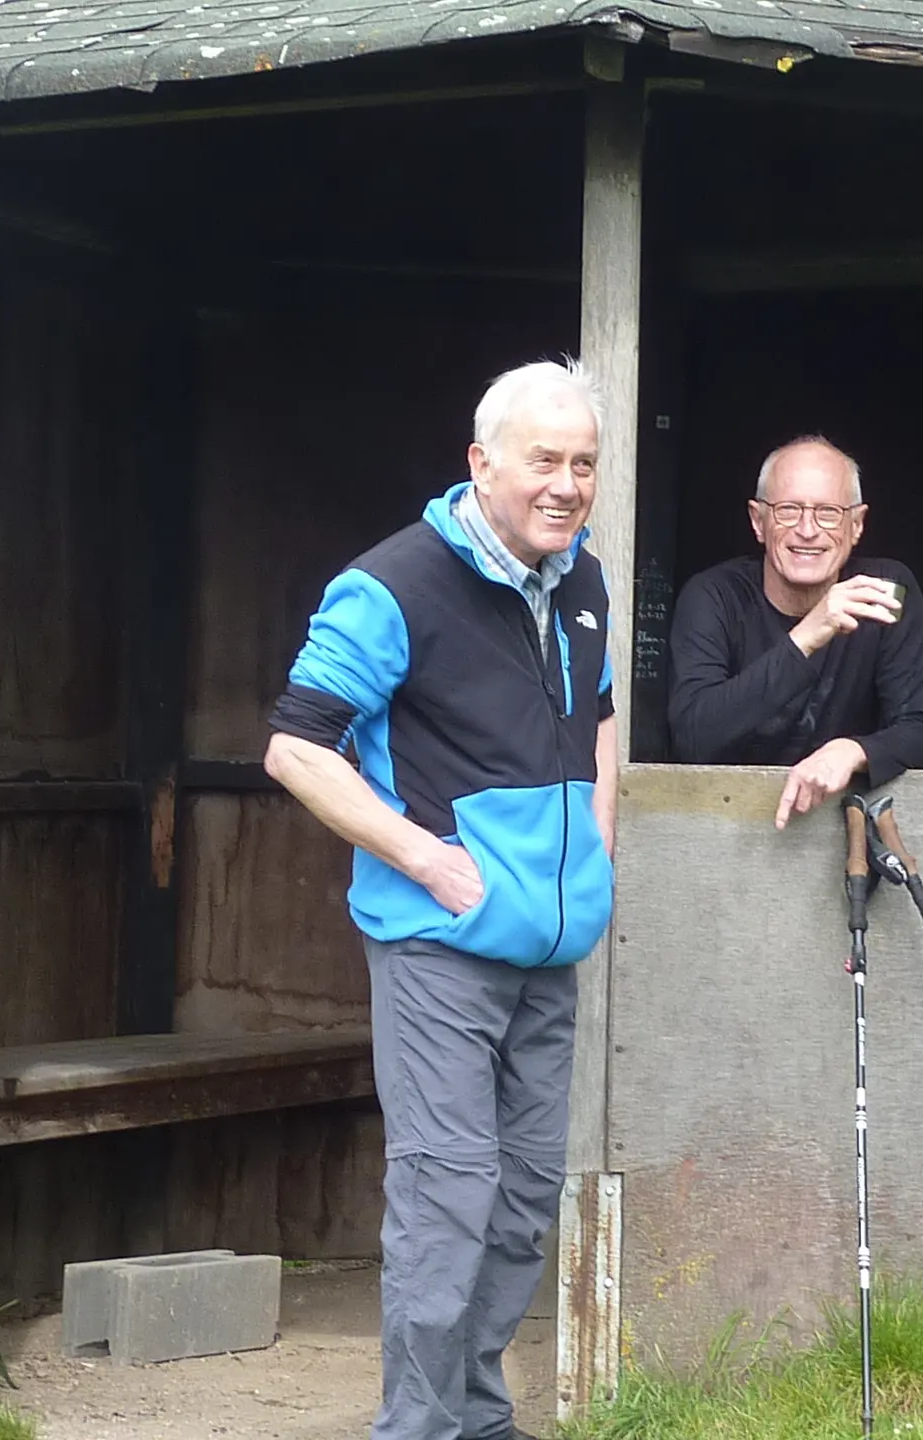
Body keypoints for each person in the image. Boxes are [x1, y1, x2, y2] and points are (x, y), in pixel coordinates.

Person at [262, 359, 617, 1440]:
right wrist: (422, 856)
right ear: (482, 463)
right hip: (438, 947)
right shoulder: (394, 586)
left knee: (519, 1205)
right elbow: (293, 748)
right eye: (544, 461)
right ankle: (415, 1428)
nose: (566, 485)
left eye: (585, 465)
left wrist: (594, 840)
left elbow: (598, 718)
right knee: (449, 1195)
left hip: (549, 949)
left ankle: (477, 1414)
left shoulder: (584, 578)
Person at [666, 435, 923, 827]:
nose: (807, 529)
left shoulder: (885, 590)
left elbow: (920, 731)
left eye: (828, 512)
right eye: (788, 510)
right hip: (723, 825)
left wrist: (852, 751)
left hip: (847, 832)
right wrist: (808, 635)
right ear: (758, 522)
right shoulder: (713, 596)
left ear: (856, 524)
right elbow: (693, 737)